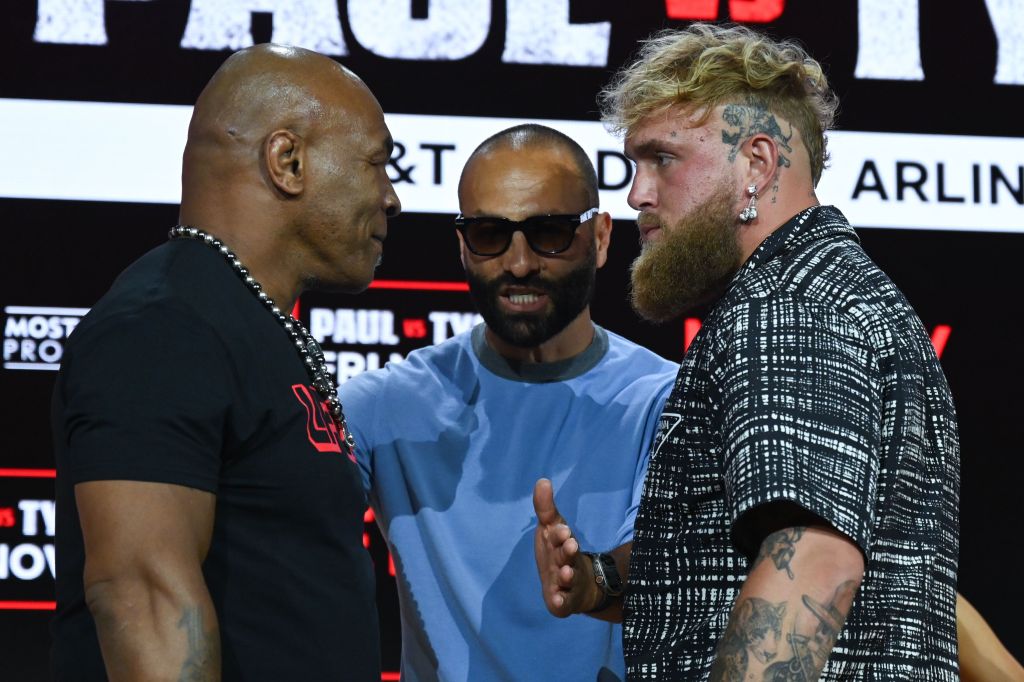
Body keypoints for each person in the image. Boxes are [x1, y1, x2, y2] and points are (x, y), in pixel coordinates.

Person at [535, 23, 960, 680]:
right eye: (633, 166)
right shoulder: (828, 289)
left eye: (663, 159)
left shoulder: (786, 303)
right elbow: (742, 550)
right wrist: (598, 580)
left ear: (757, 164)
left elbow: (812, 557)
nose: (637, 194)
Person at [50, 44, 400, 681]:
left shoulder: (242, 320)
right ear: (287, 161)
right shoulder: (161, 327)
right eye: (376, 163)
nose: (391, 197)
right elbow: (143, 597)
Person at [338, 124, 677, 681]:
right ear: (463, 245)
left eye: (549, 232)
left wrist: (590, 581)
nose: (519, 263)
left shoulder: (662, 401)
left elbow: (682, 572)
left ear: (599, 238)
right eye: (491, 234)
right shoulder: (385, 410)